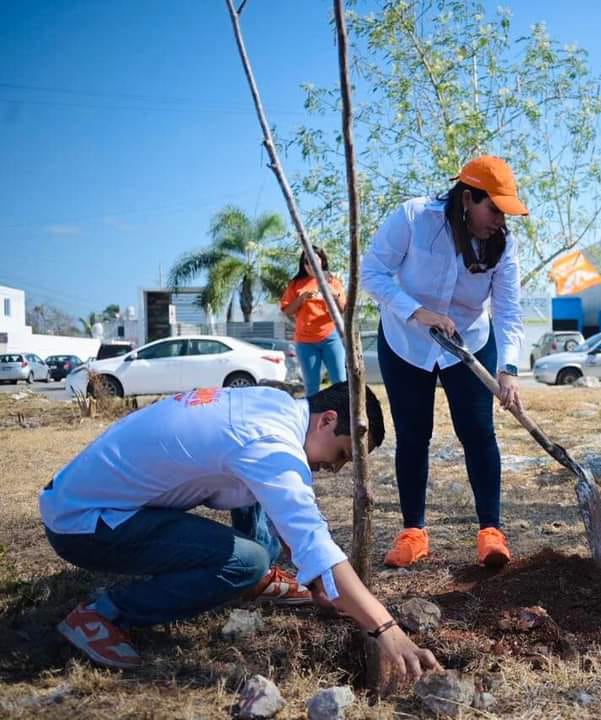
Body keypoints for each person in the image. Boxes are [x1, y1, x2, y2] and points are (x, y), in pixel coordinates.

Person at [41, 383, 439, 681]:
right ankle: (102, 615)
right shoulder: (271, 444)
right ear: (328, 420)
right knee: (245, 560)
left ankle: (258, 578)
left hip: (84, 498)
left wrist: (315, 576)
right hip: (86, 523)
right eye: (340, 455)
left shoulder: (274, 404)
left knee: (257, 535)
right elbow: (312, 538)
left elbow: (279, 505)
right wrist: (386, 628)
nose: (335, 469)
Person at [361, 156, 527, 569]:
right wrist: (417, 311)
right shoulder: (414, 217)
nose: (500, 221)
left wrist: (509, 369)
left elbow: (508, 311)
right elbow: (372, 273)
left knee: (478, 432)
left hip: (470, 342)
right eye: (495, 209)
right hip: (406, 342)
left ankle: (491, 531)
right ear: (468, 198)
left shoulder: (503, 244)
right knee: (413, 435)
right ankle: (413, 532)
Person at [280, 247, 348, 397]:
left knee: (340, 383)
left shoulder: (332, 281)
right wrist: (301, 299)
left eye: (315, 260)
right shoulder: (295, 284)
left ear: (322, 261)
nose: (311, 265)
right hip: (305, 342)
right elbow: (286, 311)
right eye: (307, 262)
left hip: (331, 338)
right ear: (303, 264)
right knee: (311, 387)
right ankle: (314, 417)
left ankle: (344, 417)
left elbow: (344, 309)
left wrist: (335, 294)